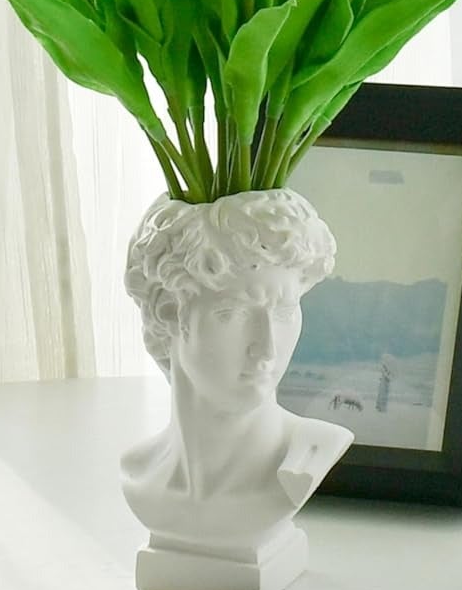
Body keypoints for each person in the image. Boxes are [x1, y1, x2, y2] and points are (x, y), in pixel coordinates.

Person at [121, 190, 353, 569]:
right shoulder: (137, 474)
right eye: (234, 313)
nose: (265, 350)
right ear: (168, 313)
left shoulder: (308, 457)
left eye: (283, 311)